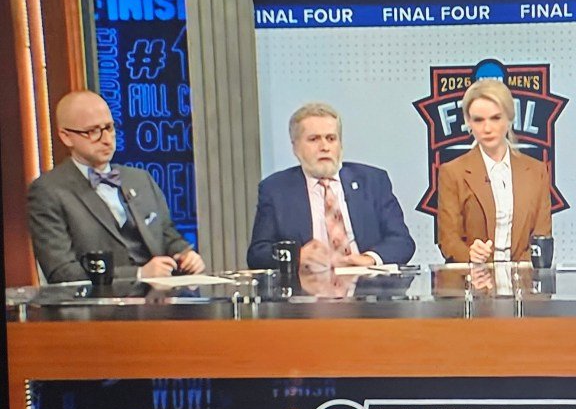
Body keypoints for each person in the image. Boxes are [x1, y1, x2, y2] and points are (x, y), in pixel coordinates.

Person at [28, 90, 205, 282]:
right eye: (93, 131)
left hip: (160, 295)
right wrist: (138, 274)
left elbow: (167, 235)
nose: (106, 139)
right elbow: (62, 272)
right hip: (99, 299)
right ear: (66, 137)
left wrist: (185, 254)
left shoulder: (140, 179)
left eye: (109, 128)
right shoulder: (48, 191)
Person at [247, 102, 414, 270]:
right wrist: (297, 256)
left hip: (367, 281)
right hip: (308, 282)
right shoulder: (276, 189)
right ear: (295, 147)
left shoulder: (373, 181)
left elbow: (402, 241)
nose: (324, 147)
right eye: (314, 139)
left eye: (331, 139)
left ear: (340, 145)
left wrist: (369, 259)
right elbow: (258, 254)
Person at [437, 79, 552, 263]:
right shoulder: (452, 172)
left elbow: (541, 237)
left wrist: (519, 273)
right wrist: (470, 255)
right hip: (474, 276)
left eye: (495, 118)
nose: (487, 128)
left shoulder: (536, 171)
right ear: (468, 122)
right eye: (478, 120)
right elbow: (448, 240)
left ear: (509, 118)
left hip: (524, 277)